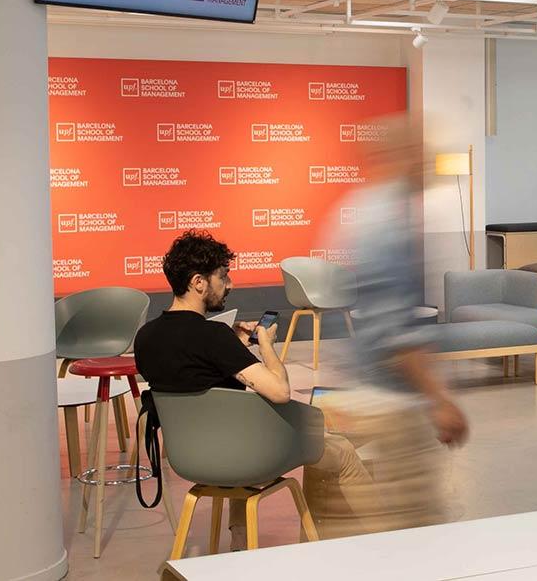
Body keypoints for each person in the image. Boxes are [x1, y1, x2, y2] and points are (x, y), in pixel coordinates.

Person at [132, 230, 368, 550]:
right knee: (340, 450)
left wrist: (235, 348)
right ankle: (386, 539)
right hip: (247, 457)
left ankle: (239, 548)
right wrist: (267, 346)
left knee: (235, 432)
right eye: (223, 276)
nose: (229, 285)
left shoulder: (146, 337)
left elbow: (191, 375)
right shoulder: (213, 337)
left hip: (191, 457)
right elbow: (280, 391)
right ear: (199, 282)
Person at [303, 113, 468, 538]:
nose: (430, 161)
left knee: (385, 529)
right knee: (413, 531)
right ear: (404, 155)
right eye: (422, 151)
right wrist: (440, 400)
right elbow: (397, 334)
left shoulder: (360, 209)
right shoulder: (392, 224)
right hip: (395, 406)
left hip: (366, 393)